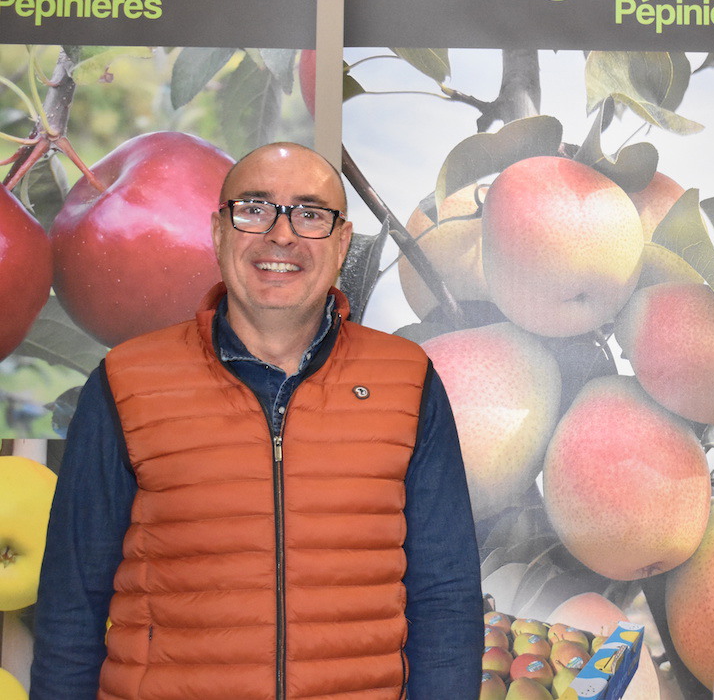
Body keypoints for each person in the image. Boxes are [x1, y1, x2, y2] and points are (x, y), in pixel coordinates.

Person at [31, 142, 482, 699]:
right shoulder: (127, 381)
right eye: (254, 209)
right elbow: (71, 604)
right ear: (218, 231)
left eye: (311, 214)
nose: (281, 235)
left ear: (343, 242)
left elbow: (446, 600)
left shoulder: (406, 380)